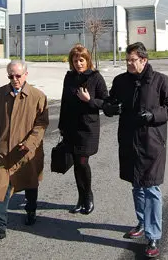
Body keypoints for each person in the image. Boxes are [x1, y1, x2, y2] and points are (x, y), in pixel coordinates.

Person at [103, 42, 168, 258]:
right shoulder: (121, 81)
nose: (128, 63)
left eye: (132, 60)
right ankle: (142, 222)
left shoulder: (160, 81)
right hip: (128, 141)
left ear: (144, 60)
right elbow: (110, 102)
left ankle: (153, 234)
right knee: (137, 186)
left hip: (151, 143)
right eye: (127, 60)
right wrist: (110, 108)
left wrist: (153, 116)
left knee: (151, 188)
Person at [0, 60, 49, 240]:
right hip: (4, 151)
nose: (14, 79)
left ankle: (31, 210)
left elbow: (42, 124)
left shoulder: (38, 96)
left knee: (30, 183)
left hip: (27, 152)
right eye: (10, 76)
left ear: (26, 75)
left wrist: (29, 143)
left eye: (18, 76)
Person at [58, 44, 108, 215]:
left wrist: (89, 100)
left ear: (87, 61)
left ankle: (88, 196)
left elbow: (106, 103)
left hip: (87, 128)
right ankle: (80, 198)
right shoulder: (69, 77)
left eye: (81, 60)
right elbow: (64, 102)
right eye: (75, 60)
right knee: (76, 164)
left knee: (82, 162)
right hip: (71, 127)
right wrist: (61, 126)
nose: (78, 64)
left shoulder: (96, 77)